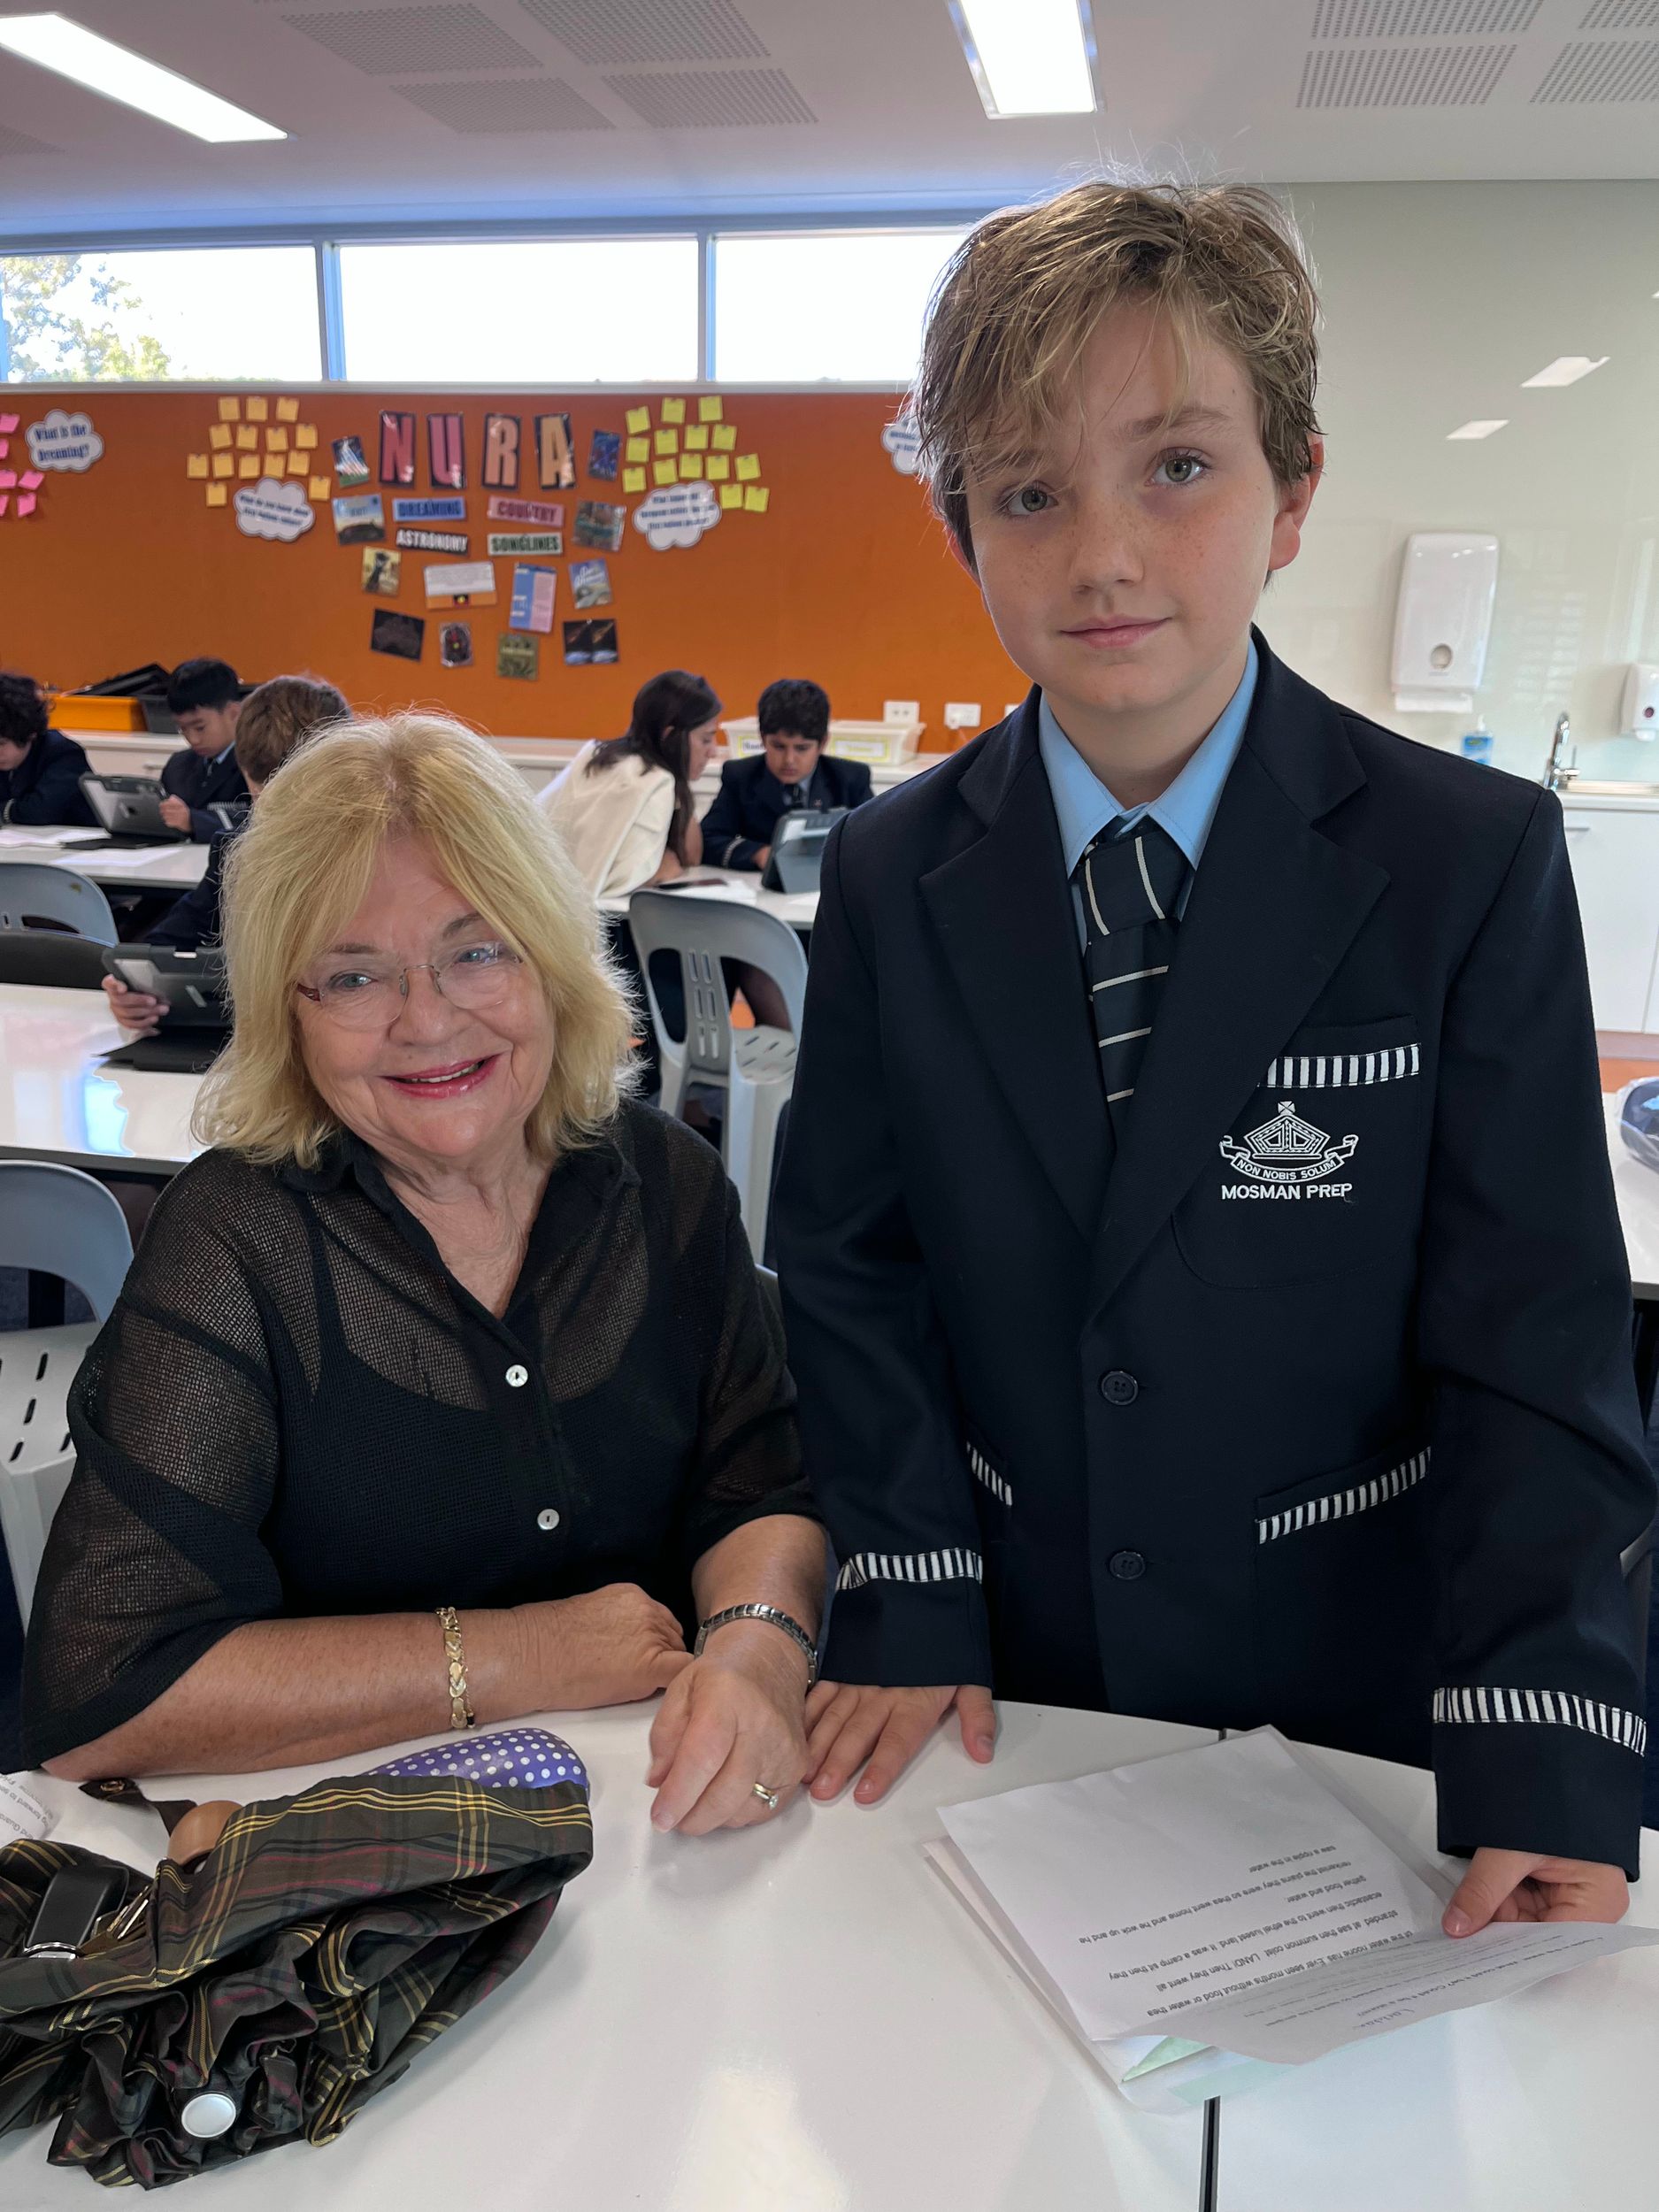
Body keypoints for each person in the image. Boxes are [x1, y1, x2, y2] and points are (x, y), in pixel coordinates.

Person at [774, 181, 1655, 1934]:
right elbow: (852, 1268)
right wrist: (912, 1583)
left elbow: (1536, 1334)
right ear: (963, 528)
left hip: (1357, 1697)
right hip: (1008, 1683)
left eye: (1175, 466)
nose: (1102, 553)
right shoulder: (887, 869)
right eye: (1030, 492)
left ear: (1293, 493)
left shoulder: (1464, 858)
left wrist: (1544, 1741)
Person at [26, 712, 825, 1838]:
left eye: (478, 950)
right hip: (354, 1868)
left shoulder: (667, 1180)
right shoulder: (238, 1238)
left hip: (670, 1837)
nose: (429, 1020)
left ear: (551, 957)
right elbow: (105, 1687)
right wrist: (517, 1654)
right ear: (290, 1012)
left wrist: (757, 1646)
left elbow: (760, 1486)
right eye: (354, 975)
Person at [102, 674, 350, 1035]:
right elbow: (168, 941)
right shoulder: (237, 852)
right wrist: (132, 989)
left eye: (302, 798)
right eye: (266, 800)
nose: (287, 819)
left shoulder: (382, 858)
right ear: (246, 776)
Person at [540, 670, 720, 899]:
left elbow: (691, 857)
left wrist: (682, 783)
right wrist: (654, 872)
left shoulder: (600, 754)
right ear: (670, 736)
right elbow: (625, 877)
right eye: (706, 739)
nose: (713, 751)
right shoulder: (653, 780)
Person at [701, 679, 872, 872]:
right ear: (762, 738)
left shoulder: (850, 779)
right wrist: (758, 854)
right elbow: (708, 838)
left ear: (823, 743)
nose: (789, 760)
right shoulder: (741, 776)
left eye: (802, 748)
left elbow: (874, 841)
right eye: (779, 746)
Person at [159, 657, 250, 841]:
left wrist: (194, 821)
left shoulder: (256, 765)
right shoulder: (178, 766)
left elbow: (261, 824)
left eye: (200, 727)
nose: (192, 739)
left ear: (233, 712)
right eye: (182, 728)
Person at [0, 671, 95, 826]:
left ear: (30, 733)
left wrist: (5, 811)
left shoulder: (65, 754)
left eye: (2, 743)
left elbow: (39, 811)